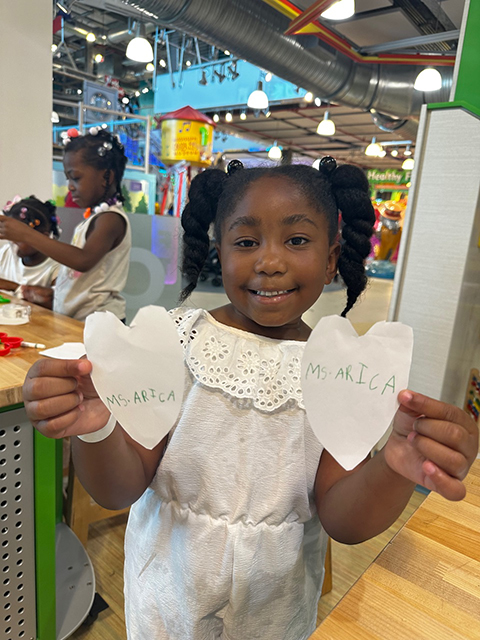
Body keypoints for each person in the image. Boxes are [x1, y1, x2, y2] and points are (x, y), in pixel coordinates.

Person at [22, 158, 478, 640]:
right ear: (220, 251)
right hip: (166, 597)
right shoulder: (176, 344)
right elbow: (118, 489)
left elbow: (343, 519)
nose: (270, 261)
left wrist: (393, 465)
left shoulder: (337, 370)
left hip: (274, 613)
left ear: (331, 258)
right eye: (246, 242)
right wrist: (97, 427)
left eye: (297, 240)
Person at [0, 127, 131, 321]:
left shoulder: (111, 220)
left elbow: (83, 260)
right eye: (68, 178)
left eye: (76, 178)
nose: (70, 186)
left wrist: (26, 234)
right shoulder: (96, 218)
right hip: (81, 321)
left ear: (107, 177)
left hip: (101, 324)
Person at [0, 196, 60, 304]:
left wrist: (15, 287)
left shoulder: (56, 268)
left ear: (42, 238)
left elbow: (57, 304)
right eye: (10, 235)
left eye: (19, 237)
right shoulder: (6, 253)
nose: (13, 242)